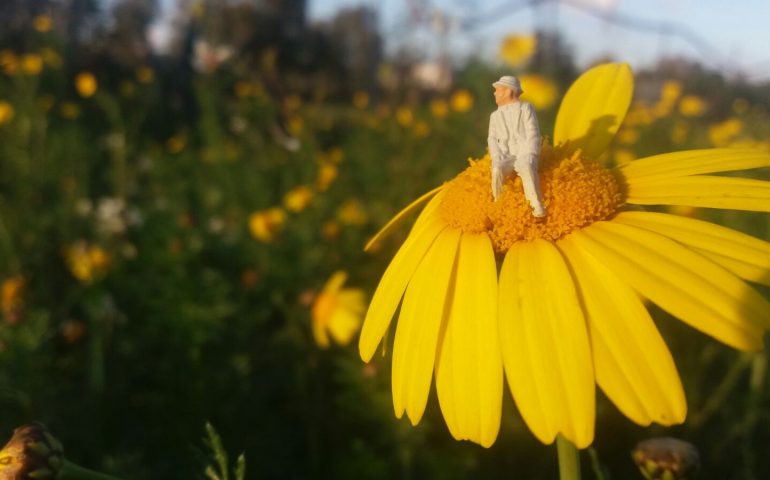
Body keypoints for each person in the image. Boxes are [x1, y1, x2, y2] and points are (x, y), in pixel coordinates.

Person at [488, 75, 546, 217]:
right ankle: (499, 204)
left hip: (523, 151)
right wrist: (496, 155)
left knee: (526, 167)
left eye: (498, 90)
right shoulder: (494, 116)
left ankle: (536, 205)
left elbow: (533, 132)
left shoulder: (526, 108)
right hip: (506, 154)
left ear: (508, 92)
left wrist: (531, 154)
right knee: (496, 169)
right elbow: (492, 138)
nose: (495, 93)